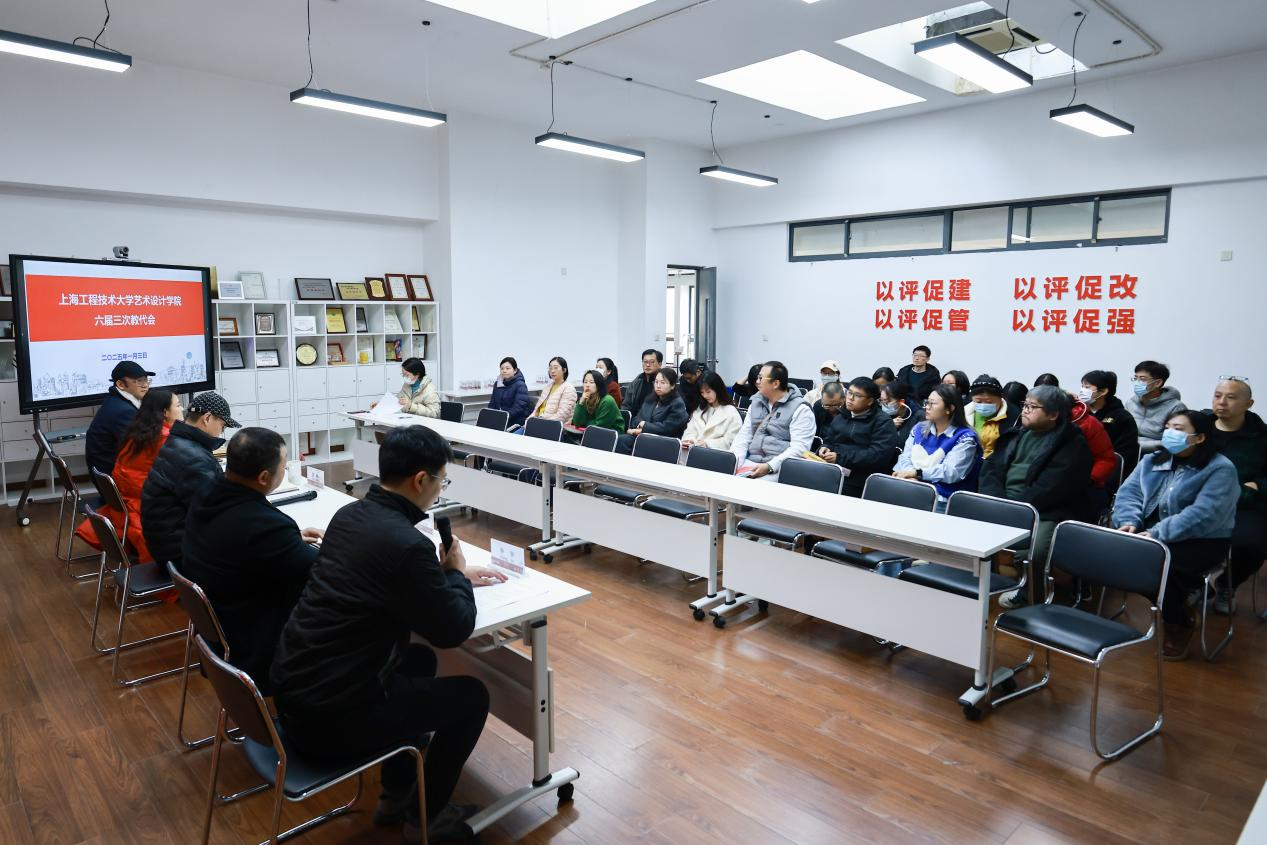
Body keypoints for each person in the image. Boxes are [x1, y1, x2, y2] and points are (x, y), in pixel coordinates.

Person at [271, 426, 506, 842]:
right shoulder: (407, 544)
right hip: (331, 718)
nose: (440, 490)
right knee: (473, 697)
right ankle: (425, 819)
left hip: (295, 693)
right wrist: (455, 574)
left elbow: (379, 578)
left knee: (420, 660)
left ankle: (395, 795)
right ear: (421, 480)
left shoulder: (350, 516)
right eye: (442, 481)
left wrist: (438, 576)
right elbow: (453, 628)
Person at [180, 427, 322, 687]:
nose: (284, 469)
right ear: (264, 477)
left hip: (218, 629)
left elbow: (241, 541)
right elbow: (321, 569)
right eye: (283, 465)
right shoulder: (262, 526)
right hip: (255, 642)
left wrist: (288, 542)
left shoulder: (208, 491)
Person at [1113, 410, 1238, 659]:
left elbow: (1203, 515)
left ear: (1199, 437)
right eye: (1168, 427)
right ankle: (1182, 599)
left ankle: (1178, 621)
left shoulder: (1220, 468)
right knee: (1120, 561)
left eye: (1179, 429)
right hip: (1150, 533)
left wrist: (1156, 533)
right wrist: (1128, 521)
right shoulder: (1152, 460)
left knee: (1156, 567)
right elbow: (1130, 493)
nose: (1170, 433)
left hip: (1202, 539)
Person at [979, 385, 1092, 605]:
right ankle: (984, 581)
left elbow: (1051, 488)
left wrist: (1014, 509)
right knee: (973, 527)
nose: (1025, 410)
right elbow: (990, 468)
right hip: (1006, 503)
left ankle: (1031, 595)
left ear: (1053, 415)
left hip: (1045, 511)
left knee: (1038, 551)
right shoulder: (1016, 435)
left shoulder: (1072, 444)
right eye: (1025, 405)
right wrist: (996, 502)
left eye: (1032, 407)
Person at [75, 388, 181, 561]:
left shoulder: (138, 432)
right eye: (178, 405)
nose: (182, 409)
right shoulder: (163, 437)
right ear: (165, 413)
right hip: (143, 505)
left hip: (127, 500)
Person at [141, 392, 237, 569]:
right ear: (207, 418)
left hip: (166, 543)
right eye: (222, 426)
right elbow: (215, 514)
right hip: (180, 554)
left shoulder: (177, 442)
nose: (221, 432)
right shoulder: (194, 458)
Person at [1205, 378, 1267, 613]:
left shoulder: (1261, 436)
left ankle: (1226, 585)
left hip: (1244, 504)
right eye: (1217, 395)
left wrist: (1257, 486)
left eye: (1231, 397)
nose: (1222, 402)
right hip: (1199, 500)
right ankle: (1194, 585)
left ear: (1249, 403)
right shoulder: (1199, 428)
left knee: (1252, 546)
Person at [893, 384, 982, 511]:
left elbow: (950, 472)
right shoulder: (919, 428)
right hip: (912, 489)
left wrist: (917, 474)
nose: (927, 407)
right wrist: (910, 477)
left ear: (949, 409)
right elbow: (905, 457)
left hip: (944, 500)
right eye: (927, 402)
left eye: (932, 403)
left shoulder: (965, 438)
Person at [730, 361, 815, 480]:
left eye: (761, 378)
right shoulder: (756, 403)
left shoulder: (801, 409)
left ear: (775, 384)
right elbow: (743, 436)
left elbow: (800, 448)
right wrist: (734, 463)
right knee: (725, 480)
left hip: (780, 468)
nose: (757, 381)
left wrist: (770, 466)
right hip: (752, 462)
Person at [818, 377, 902, 496]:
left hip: (862, 479)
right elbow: (829, 440)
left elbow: (876, 455)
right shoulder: (841, 416)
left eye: (857, 395)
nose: (850, 398)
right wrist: (825, 447)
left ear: (870, 401)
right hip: (835, 470)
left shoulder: (883, 422)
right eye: (849, 393)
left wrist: (840, 458)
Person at [85, 361, 155, 476]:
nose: (145, 385)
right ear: (121, 384)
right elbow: (143, 447)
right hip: (116, 476)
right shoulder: (124, 411)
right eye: (139, 381)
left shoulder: (116, 401)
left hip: (108, 473)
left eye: (146, 380)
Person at [1080, 370, 1140, 476]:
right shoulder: (1079, 414)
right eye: (1082, 386)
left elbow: (1122, 455)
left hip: (1104, 471)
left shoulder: (1122, 418)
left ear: (1103, 391)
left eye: (1087, 387)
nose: (1082, 391)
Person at [616, 367, 689, 454]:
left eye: (662, 383)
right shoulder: (651, 399)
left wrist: (644, 427)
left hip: (662, 440)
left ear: (672, 385)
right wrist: (637, 428)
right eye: (656, 382)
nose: (658, 386)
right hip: (642, 436)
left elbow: (667, 428)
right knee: (622, 440)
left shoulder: (677, 403)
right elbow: (636, 419)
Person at [1070, 392, 1119, 520]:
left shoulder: (1089, 424)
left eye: (1033, 406)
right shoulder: (1032, 425)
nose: (1026, 411)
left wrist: (1089, 479)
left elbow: (1106, 460)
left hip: (1086, 486)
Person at [1127, 360, 1186, 453]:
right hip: (1129, 450)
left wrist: (1134, 444)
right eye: (1135, 378)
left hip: (1158, 454)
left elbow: (1173, 441)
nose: (1137, 383)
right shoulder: (1131, 403)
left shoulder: (1176, 407)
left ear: (1157, 383)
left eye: (1142, 379)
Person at [682, 371, 742, 451]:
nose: (705, 395)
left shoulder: (731, 412)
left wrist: (707, 444)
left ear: (717, 389)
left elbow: (731, 440)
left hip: (716, 454)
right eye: (702, 392)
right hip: (695, 452)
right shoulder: (700, 408)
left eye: (708, 392)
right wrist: (690, 440)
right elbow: (690, 430)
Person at [966, 375, 1020, 460]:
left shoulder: (1014, 416)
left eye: (989, 402)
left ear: (1001, 398)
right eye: (978, 401)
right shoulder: (964, 413)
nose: (983, 405)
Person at [528, 356, 577, 426]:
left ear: (564, 370)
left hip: (553, 427)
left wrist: (541, 424)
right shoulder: (547, 387)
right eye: (550, 368)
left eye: (556, 368)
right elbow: (536, 411)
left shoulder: (569, 389)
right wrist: (527, 422)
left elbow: (561, 416)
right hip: (538, 422)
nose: (552, 371)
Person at [489, 357, 532, 428]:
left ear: (515, 370)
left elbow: (519, 407)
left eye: (507, 368)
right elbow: (492, 403)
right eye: (502, 368)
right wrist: (490, 415)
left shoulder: (520, 384)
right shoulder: (497, 384)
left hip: (516, 421)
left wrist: (503, 417)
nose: (504, 371)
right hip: (501, 419)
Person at [880, 380, 923, 445]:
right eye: (882, 401)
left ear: (901, 402)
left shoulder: (919, 416)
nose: (884, 405)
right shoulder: (884, 415)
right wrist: (889, 426)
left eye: (887, 401)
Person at [622, 348, 662, 414]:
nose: (647, 365)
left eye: (652, 362)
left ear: (659, 364)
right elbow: (626, 405)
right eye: (645, 362)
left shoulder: (664, 382)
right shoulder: (637, 381)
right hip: (635, 418)